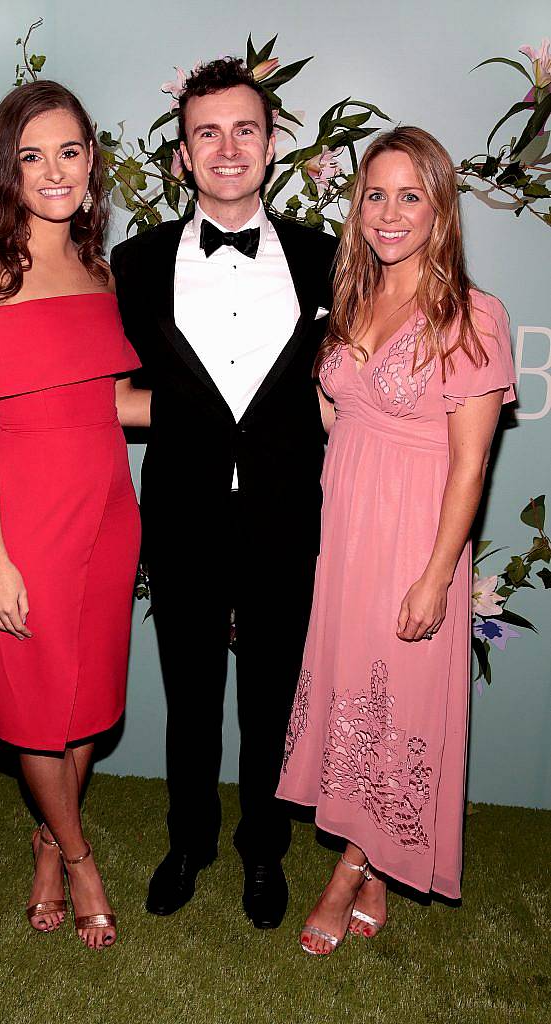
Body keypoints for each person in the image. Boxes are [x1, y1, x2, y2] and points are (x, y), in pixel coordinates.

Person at [276, 126, 517, 954]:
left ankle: (346, 874)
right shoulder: (349, 297)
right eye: (374, 194)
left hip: (415, 539)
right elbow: (335, 407)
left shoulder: (472, 314)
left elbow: (470, 467)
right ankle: (372, 859)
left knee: (399, 700)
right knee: (356, 698)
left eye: (409, 195)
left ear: (439, 208)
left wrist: (433, 576)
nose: (388, 212)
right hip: (346, 532)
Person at [110, 58, 338, 929]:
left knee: (273, 693)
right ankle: (188, 841)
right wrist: (201, 423)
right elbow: (113, 395)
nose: (227, 147)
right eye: (207, 131)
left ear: (272, 146)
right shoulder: (133, 265)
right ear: (181, 156)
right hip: (182, 512)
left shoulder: (328, 259)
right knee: (190, 691)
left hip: (288, 515)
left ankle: (262, 850)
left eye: (245, 129)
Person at [0, 80, 143, 951]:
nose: (54, 170)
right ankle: (78, 853)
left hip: (107, 505)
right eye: (31, 155)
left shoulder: (98, 271)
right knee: (33, 708)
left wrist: (235, 405)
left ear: (91, 161)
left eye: (69, 151)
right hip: (27, 517)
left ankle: (48, 843)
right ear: (5, 170)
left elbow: (119, 404)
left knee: (89, 699)